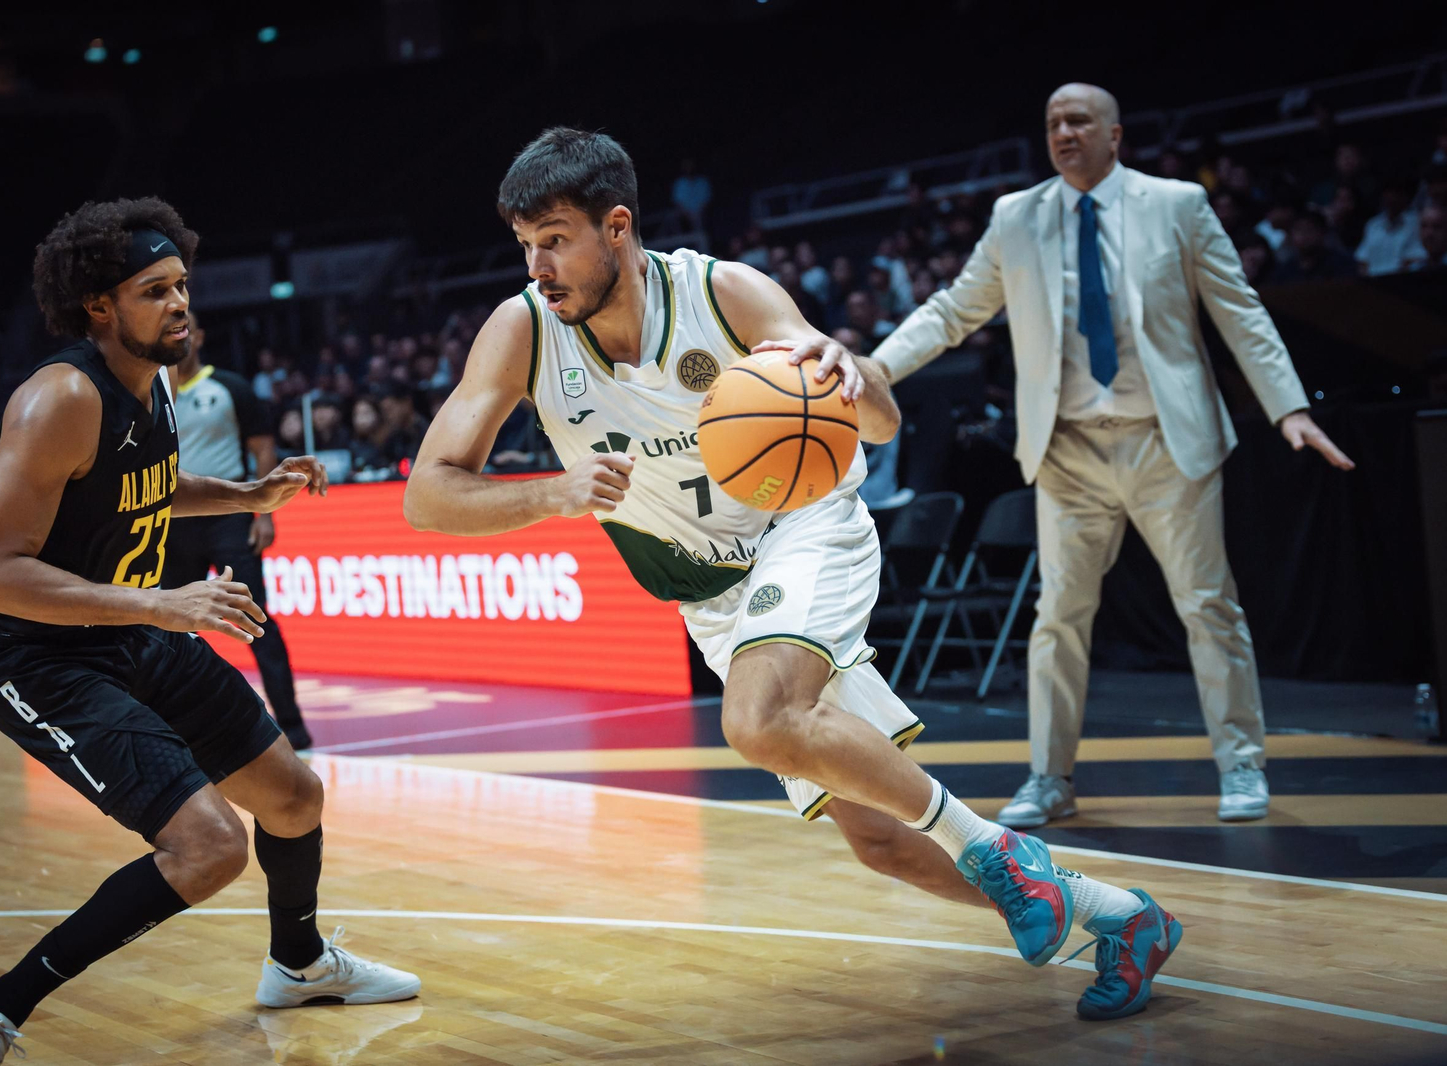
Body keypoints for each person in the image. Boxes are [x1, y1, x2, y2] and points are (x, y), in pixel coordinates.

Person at [404, 127, 1182, 1023]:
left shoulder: (721, 293)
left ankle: (1002, 855)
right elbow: (429, 496)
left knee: (758, 718)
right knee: (880, 840)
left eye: (554, 239)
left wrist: (854, 374)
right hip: (711, 592)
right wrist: (554, 493)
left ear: (616, 227)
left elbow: (881, 425)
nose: (537, 266)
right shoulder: (522, 330)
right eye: (524, 244)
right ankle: (1124, 920)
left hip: (803, 529)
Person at [0, 198, 418, 1066]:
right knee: (208, 845)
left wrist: (245, 495)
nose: (181, 303)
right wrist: (160, 602)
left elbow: (141, 482)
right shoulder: (60, 398)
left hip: (128, 636)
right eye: (156, 290)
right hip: (36, 656)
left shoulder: (152, 382)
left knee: (294, 797)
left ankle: (298, 965)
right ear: (99, 307)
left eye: (182, 284)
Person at [844, 83, 1353, 831]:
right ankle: (1051, 778)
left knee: (1208, 606)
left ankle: (1242, 764)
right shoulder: (1017, 216)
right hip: (1070, 449)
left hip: (1165, 440)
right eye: (1052, 122)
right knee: (1058, 617)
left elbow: (1237, 306)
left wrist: (1289, 406)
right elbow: (955, 308)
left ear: (1116, 134)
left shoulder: (1175, 205)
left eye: (1079, 120)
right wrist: (875, 367)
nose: (1064, 132)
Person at [165, 311, 314, 750]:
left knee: (256, 620)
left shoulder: (230, 387)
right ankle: (174, 726)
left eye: (186, 324)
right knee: (168, 625)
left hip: (229, 517)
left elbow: (263, 447)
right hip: (174, 520)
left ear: (201, 335)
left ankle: (293, 724)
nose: (179, 332)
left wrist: (264, 515)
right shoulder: (153, 392)